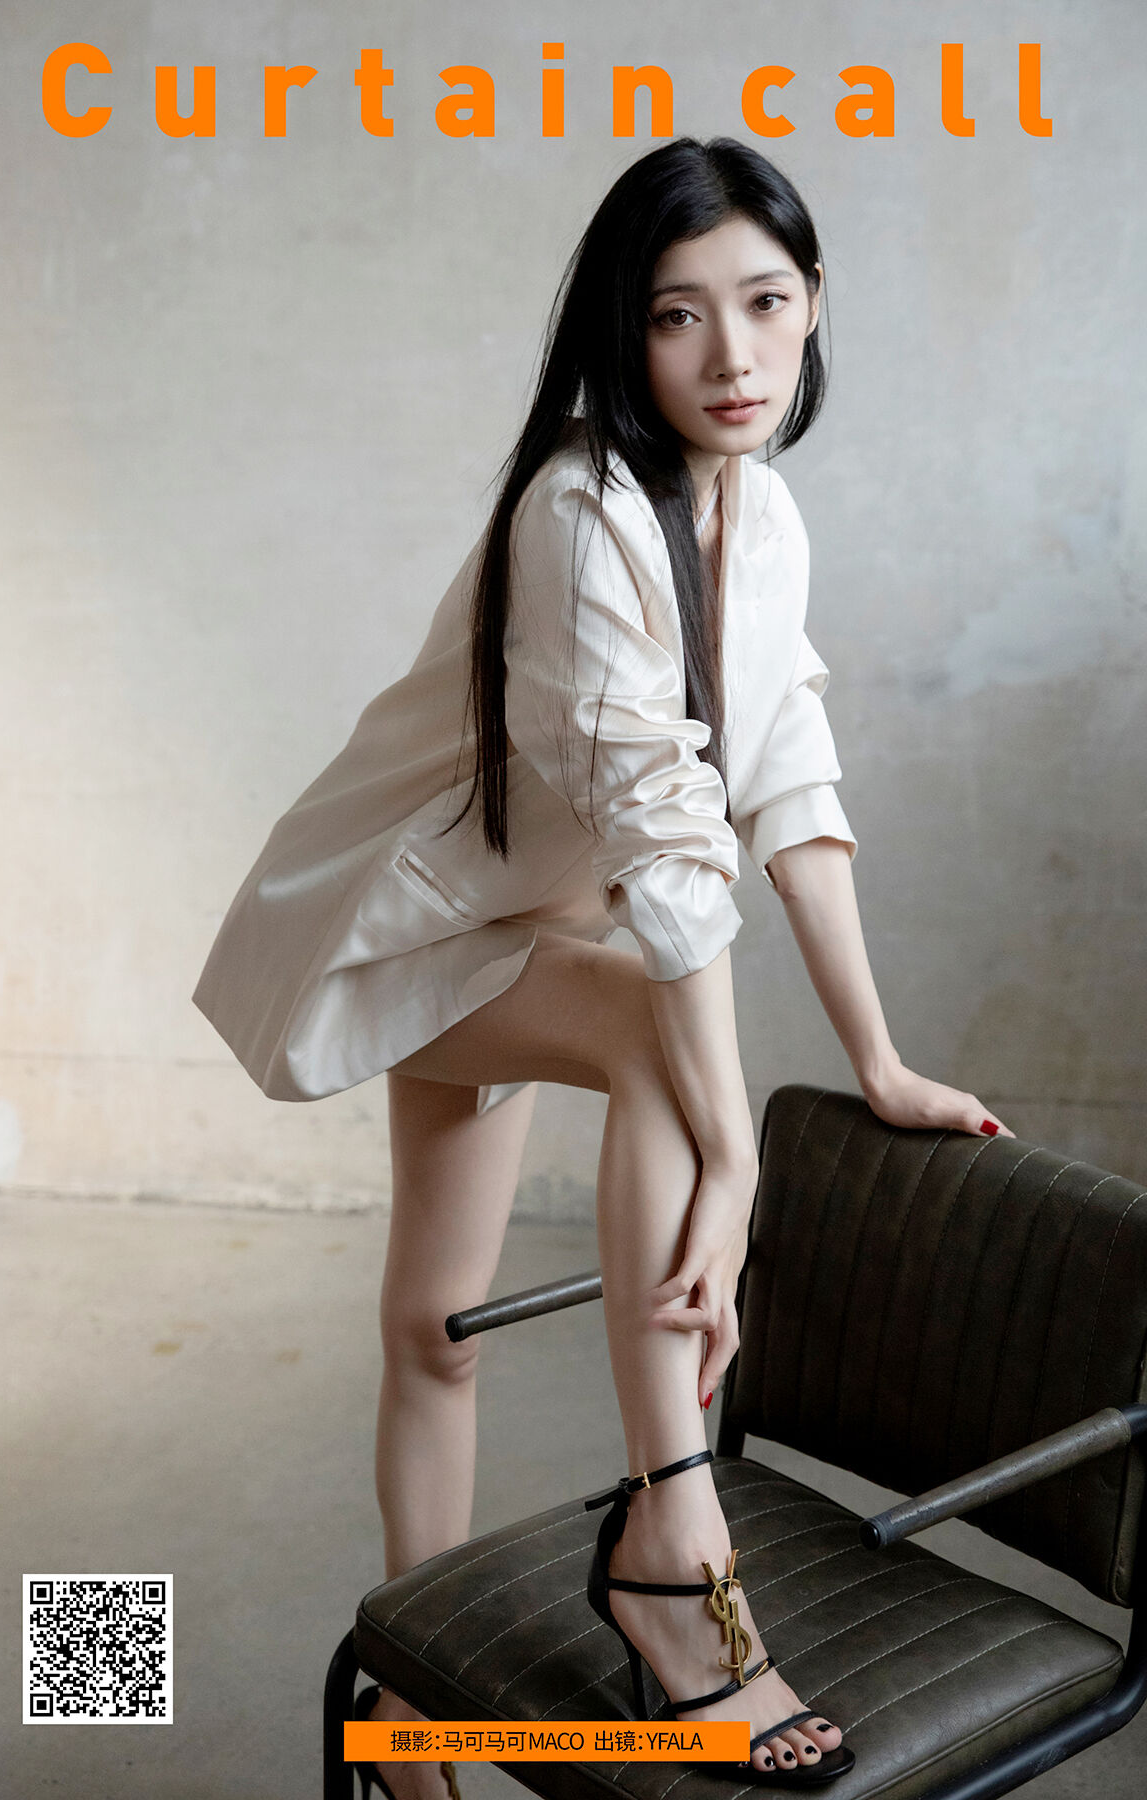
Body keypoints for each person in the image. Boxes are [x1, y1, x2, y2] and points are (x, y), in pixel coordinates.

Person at [193, 136, 1012, 1791]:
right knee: (619, 1083)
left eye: (763, 304)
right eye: (677, 315)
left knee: (437, 1322)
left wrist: (876, 1060)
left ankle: (417, 1703)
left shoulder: (760, 515)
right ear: (622, 335)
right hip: (406, 924)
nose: (732, 356)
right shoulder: (580, 515)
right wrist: (730, 1153)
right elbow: (671, 854)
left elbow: (786, 782)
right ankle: (669, 1552)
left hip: (538, 923)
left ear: (813, 303)